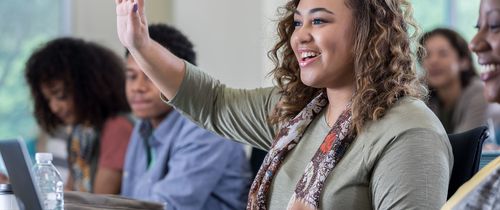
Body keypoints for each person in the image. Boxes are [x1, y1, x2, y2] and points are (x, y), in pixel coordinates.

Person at [115, 0, 453, 209]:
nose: (299, 36)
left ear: (369, 32)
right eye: (296, 23)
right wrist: (140, 45)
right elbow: (212, 102)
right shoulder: (298, 114)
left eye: (318, 21)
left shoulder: (409, 132)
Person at [121, 23, 251, 210]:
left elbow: (170, 206)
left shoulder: (205, 127)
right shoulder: (143, 126)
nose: (137, 88)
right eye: (131, 76)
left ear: (182, 78)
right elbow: (130, 202)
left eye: (150, 75)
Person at [25, 38, 133, 194]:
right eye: (48, 100)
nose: (54, 107)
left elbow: (99, 202)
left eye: (61, 95)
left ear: (87, 87)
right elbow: (70, 191)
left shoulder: (117, 128)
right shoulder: (80, 131)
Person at [419, 28, 490, 134]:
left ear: (464, 62)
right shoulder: (421, 95)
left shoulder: (480, 92)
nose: (433, 61)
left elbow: (464, 143)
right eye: (427, 55)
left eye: (443, 54)